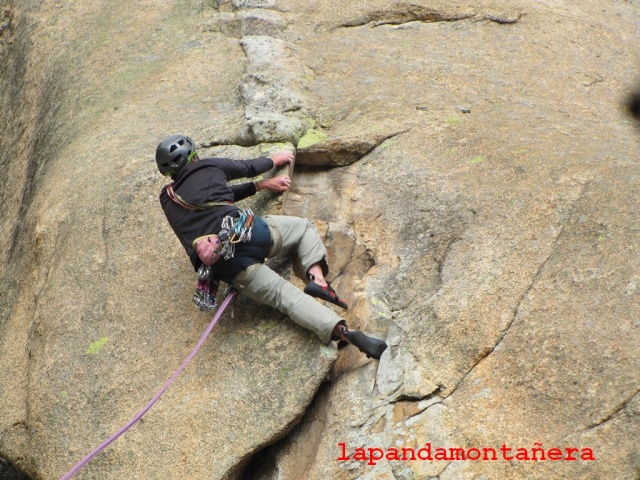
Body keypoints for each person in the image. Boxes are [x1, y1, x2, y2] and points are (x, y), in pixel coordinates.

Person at [156, 134, 387, 359]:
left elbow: (215, 197)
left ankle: (344, 332)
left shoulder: (167, 199)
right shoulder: (207, 166)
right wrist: (274, 161)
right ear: (193, 155)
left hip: (226, 265)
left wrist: (260, 186)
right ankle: (317, 280)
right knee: (304, 227)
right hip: (247, 234)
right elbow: (247, 167)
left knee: (284, 298)